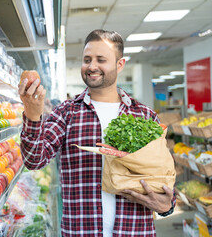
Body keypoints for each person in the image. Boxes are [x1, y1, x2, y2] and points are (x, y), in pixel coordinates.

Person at [18, 29, 175, 237]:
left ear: (120, 64)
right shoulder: (66, 113)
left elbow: (163, 175)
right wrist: (32, 114)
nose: (92, 66)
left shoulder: (144, 116)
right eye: (87, 59)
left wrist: (167, 205)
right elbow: (34, 160)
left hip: (136, 231)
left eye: (101, 59)